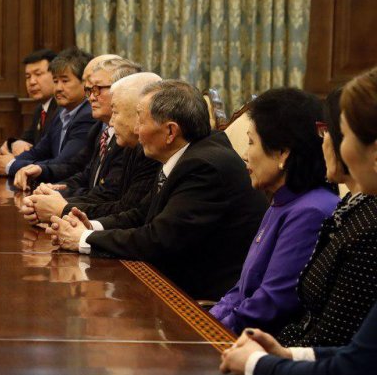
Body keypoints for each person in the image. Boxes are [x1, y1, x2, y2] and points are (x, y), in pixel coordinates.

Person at [219, 68, 377, 375]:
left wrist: (256, 364)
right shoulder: (347, 209)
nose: (326, 144)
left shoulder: (359, 222)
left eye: (336, 133)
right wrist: (288, 355)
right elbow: (360, 354)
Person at [47, 80, 268, 300]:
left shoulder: (203, 166)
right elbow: (141, 214)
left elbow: (158, 239)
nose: (136, 130)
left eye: (141, 121)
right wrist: (90, 226)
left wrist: (83, 238)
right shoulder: (184, 153)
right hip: (169, 278)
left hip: (198, 298)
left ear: (170, 131)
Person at [209, 89, 340, 334]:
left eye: (251, 142)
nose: (244, 155)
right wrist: (207, 321)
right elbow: (241, 291)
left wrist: (212, 333)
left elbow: (271, 304)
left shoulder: (311, 211)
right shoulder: (282, 201)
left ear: (283, 153)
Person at [267, 85, 377, 348]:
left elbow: (334, 343)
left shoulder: (368, 229)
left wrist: (267, 361)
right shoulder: (351, 206)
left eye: (329, 132)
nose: (323, 142)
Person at [21, 71, 162, 225]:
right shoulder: (118, 139)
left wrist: (62, 208)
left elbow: (128, 210)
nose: (111, 123)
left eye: (115, 112)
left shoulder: (148, 150)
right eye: (88, 89)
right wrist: (54, 195)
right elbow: (84, 173)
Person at [14, 55, 138, 192]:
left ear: (121, 90)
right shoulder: (99, 128)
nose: (91, 97)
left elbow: (109, 194)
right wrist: (53, 183)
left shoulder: (130, 134)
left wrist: (61, 198)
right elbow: (82, 172)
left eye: (97, 88)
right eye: (89, 89)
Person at [6, 47, 96, 183]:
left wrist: (10, 165)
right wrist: (10, 161)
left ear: (85, 83)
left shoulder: (88, 115)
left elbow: (62, 164)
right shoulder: (60, 112)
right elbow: (39, 151)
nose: (58, 88)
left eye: (65, 81)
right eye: (55, 81)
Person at [0, 49, 57, 175]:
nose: (32, 82)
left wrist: (12, 163)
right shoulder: (41, 109)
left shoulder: (62, 110)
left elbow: (49, 156)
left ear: (56, 76)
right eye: (28, 77)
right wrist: (14, 144)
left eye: (38, 74)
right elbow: (26, 140)